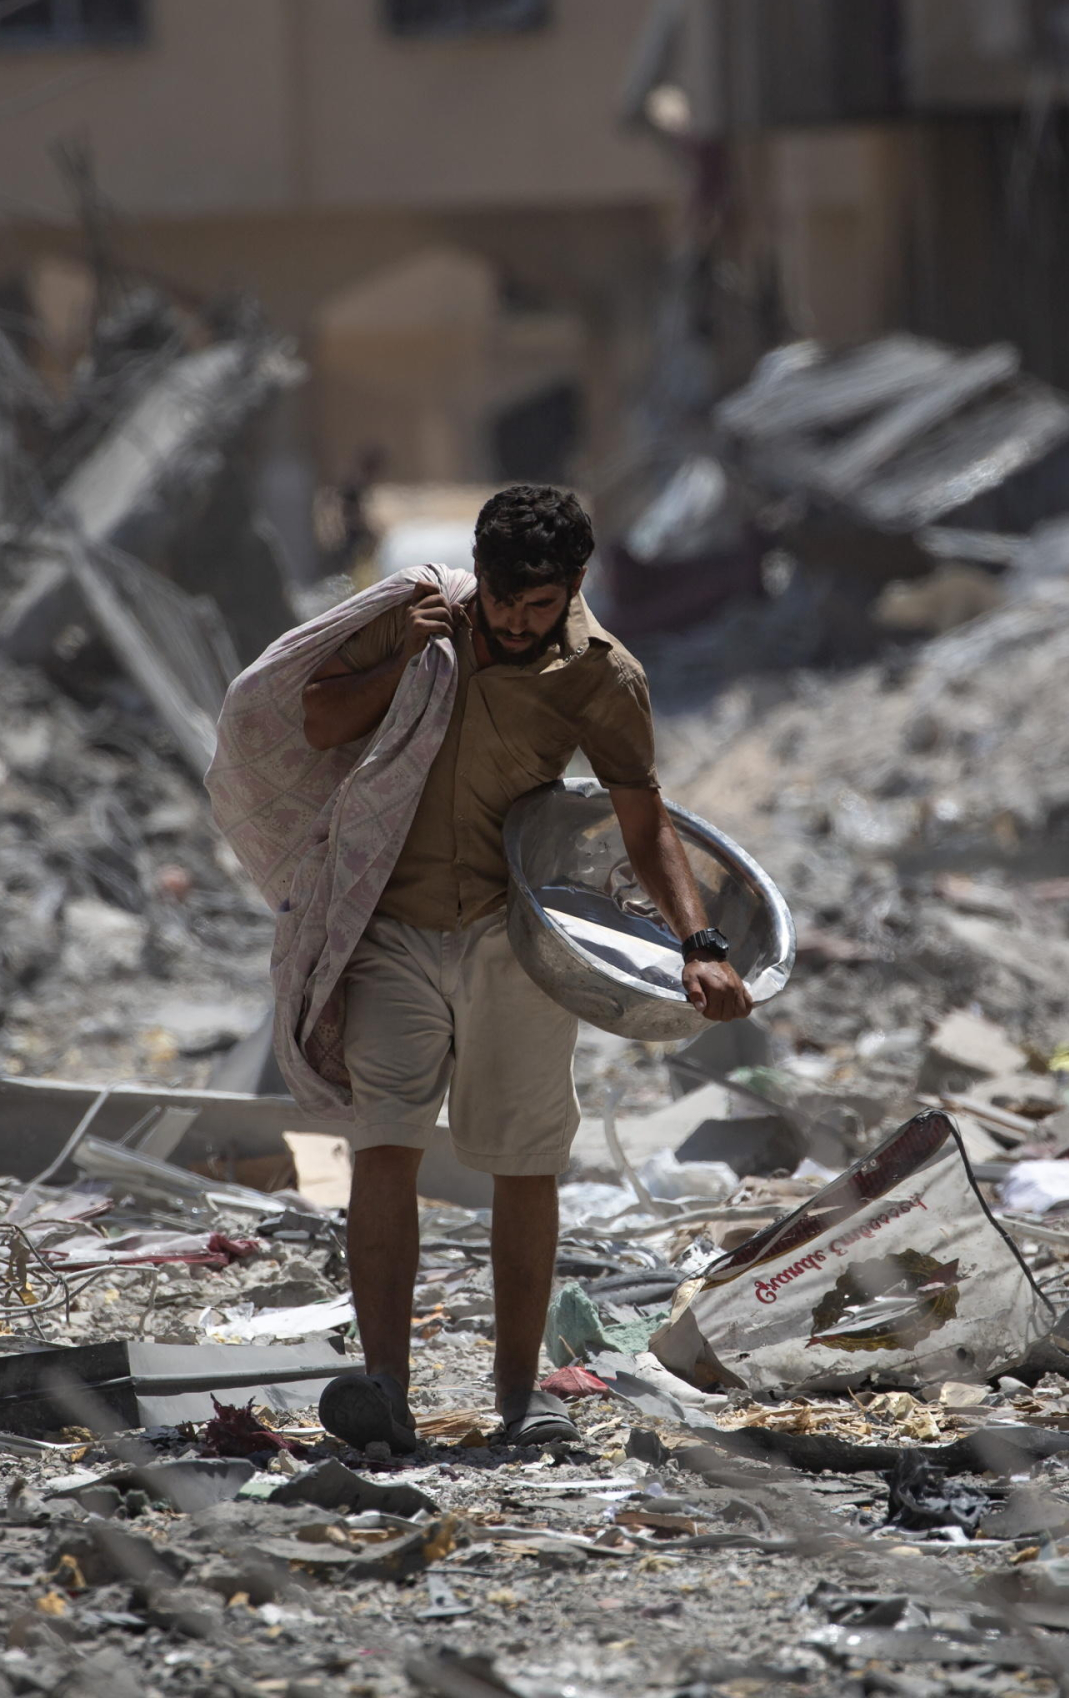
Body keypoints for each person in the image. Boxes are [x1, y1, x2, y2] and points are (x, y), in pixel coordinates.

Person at [299, 485, 752, 1450]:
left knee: (525, 1160)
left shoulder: (605, 677)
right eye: (498, 598)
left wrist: (699, 944)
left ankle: (516, 1397)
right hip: (394, 926)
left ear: (575, 586)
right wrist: (409, 658)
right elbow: (318, 722)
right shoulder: (422, 623)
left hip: (516, 932)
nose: (510, 620)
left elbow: (642, 819)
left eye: (534, 605)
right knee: (383, 1145)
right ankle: (384, 1388)